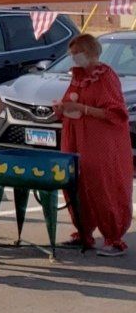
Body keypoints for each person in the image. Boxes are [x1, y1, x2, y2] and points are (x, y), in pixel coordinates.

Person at [55, 34, 131, 256]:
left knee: (103, 185)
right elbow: (70, 100)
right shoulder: (77, 76)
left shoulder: (106, 76)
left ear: (89, 52)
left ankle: (113, 237)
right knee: (75, 183)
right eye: (71, 54)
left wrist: (84, 110)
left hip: (100, 141)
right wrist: (61, 108)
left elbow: (116, 113)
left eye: (76, 53)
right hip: (75, 137)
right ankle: (83, 231)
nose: (73, 58)